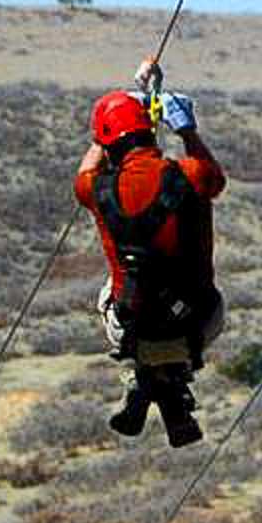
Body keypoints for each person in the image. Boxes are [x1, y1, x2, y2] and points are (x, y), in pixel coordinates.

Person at [74, 63, 226, 446]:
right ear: (148, 131)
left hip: (131, 328)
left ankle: (148, 382)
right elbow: (214, 177)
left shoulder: (96, 188)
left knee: (118, 288)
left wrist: (118, 115)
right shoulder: (191, 176)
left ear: (109, 142)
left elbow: (88, 167)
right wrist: (186, 129)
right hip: (198, 322)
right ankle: (168, 393)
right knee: (185, 296)